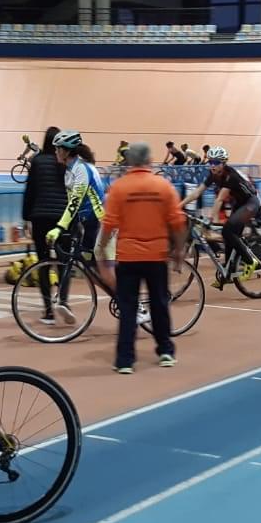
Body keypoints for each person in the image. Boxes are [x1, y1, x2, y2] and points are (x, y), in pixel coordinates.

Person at [99, 142, 184, 374]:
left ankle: (125, 360)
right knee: (159, 304)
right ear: (149, 160)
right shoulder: (163, 186)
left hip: (128, 257)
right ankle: (165, 351)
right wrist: (179, 250)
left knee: (128, 308)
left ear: (129, 161)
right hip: (156, 256)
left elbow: (109, 223)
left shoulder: (119, 188)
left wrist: (101, 250)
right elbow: (177, 221)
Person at [44, 131, 106, 325]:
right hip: (87, 223)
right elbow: (73, 204)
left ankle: (130, 302)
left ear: (65, 151)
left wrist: (58, 227)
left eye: (57, 149)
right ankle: (63, 300)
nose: (55, 152)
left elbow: (75, 202)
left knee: (102, 268)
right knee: (87, 266)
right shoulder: (70, 169)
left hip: (99, 222)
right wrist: (69, 227)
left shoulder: (81, 169)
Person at [184, 146, 261, 287]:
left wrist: (211, 219)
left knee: (228, 231)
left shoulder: (230, 175)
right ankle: (229, 271)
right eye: (210, 162)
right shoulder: (212, 175)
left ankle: (251, 262)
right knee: (228, 235)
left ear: (223, 163)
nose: (212, 165)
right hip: (239, 203)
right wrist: (178, 205)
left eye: (215, 162)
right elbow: (196, 193)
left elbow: (220, 199)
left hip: (252, 202)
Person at [21, 126, 68, 324]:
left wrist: (26, 218)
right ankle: (64, 303)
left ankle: (48, 310)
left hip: (40, 217)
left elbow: (29, 191)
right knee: (64, 262)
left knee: (43, 262)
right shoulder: (65, 163)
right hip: (62, 218)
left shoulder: (37, 161)